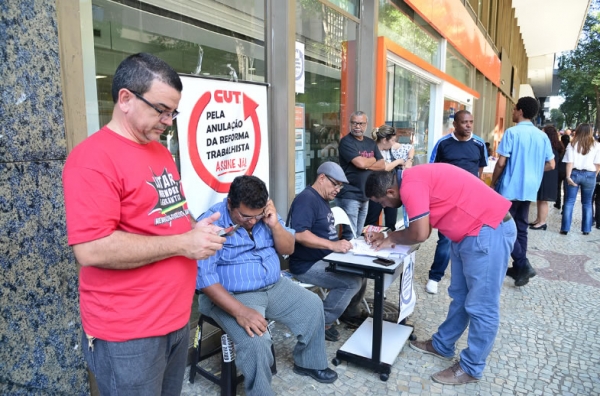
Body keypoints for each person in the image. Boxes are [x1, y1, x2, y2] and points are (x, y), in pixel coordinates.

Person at [62, 53, 225, 395]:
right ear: (125, 99)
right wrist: (183, 244)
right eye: (160, 110)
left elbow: (172, 214)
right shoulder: (92, 159)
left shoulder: (159, 151)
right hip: (128, 333)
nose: (168, 121)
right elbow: (91, 249)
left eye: (173, 112)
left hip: (176, 318)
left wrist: (198, 229)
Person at [364, 164, 516, 385]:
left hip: (486, 231)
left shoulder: (411, 186)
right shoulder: (412, 179)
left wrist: (392, 238)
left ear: (390, 192)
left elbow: (420, 233)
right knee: (460, 297)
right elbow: (422, 223)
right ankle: (442, 344)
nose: (384, 206)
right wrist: (391, 235)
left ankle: (471, 368)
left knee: (482, 306)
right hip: (469, 234)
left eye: (382, 202)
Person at [196, 176, 338, 396]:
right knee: (257, 342)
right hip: (235, 295)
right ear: (230, 203)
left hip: (273, 285)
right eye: (245, 216)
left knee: (312, 304)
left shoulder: (266, 214)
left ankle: (308, 362)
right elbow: (204, 279)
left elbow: (289, 248)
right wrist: (241, 312)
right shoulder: (212, 223)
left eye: (257, 215)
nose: (252, 221)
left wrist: (274, 224)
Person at [288, 162, 366, 341]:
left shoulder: (322, 199)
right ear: (321, 178)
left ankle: (349, 312)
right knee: (351, 283)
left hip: (325, 258)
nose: (338, 189)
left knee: (362, 272)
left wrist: (341, 245)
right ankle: (321, 322)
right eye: (335, 184)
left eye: (340, 186)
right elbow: (299, 234)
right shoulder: (306, 199)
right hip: (306, 265)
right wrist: (332, 245)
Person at [491, 96, 555, 287]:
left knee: (503, 227)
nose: (512, 112)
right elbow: (551, 164)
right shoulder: (542, 135)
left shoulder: (512, 133)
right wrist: (534, 170)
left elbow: (501, 163)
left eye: (514, 109)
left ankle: (522, 264)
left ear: (520, 111)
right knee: (521, 227)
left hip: (509, 188)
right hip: (529, 188)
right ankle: (519, 269)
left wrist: (493, 182)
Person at [425, 110, 488, 294]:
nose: (468, 126)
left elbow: (480, 170)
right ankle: (435, 277)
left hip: (470, 200)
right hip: (448, 199)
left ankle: (467, 277)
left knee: (471, 239)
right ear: (455, 124)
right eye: (464, 122)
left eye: (471, 122)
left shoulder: (478, 143)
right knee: (445, 239)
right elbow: (433, 170)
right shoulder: (443, 143)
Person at [335, 111, 386, 240]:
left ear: (366, 125)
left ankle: (351, 259)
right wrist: (371, 160)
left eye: (361, 123)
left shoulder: (370, 143)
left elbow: (382, 165)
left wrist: (366, 164)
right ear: (350, 124)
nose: (357, 126)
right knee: (350, 234)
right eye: (354, 123)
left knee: (358, 234)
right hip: (350, 194)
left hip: (365, 195)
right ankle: (342, 259)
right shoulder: (346, 142)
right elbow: (360, 163)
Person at [560, 123, 600, 235]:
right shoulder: (597, 145)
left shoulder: (572, 144)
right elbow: (598, 164)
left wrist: (568, 176)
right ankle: (586, 230)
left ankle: (565, 228)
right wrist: (594, 175)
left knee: (569, 201)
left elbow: (570, 162)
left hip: (574, 173)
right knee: (587, 203)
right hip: (590, 174)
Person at [365, 125, 407, 229]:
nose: (394, 143)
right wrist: (399, 161)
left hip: (391, 187)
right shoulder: (371, 151)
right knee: (372, 219)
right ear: (384, 140)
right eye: (392, 140)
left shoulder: (391, 149)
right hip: (377, 188)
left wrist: (409, 159)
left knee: (391, 220)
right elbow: (385, 168)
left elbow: (409, 148)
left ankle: (390, 240)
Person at [529, 125, 564, 230]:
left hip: (548, 174)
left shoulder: (551, 148)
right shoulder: (554, 146)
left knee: (543, 199)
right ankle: (538, 219)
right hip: (547, 174)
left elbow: (550, 164)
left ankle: (542, 222)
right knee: (540, 198)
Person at [555, 134, 571, 210]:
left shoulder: (559, 147)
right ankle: (565, 207)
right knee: (566, 190)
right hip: (567, 170)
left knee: (558, 188)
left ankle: (558, 203)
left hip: (559, 170)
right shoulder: (571, 147)